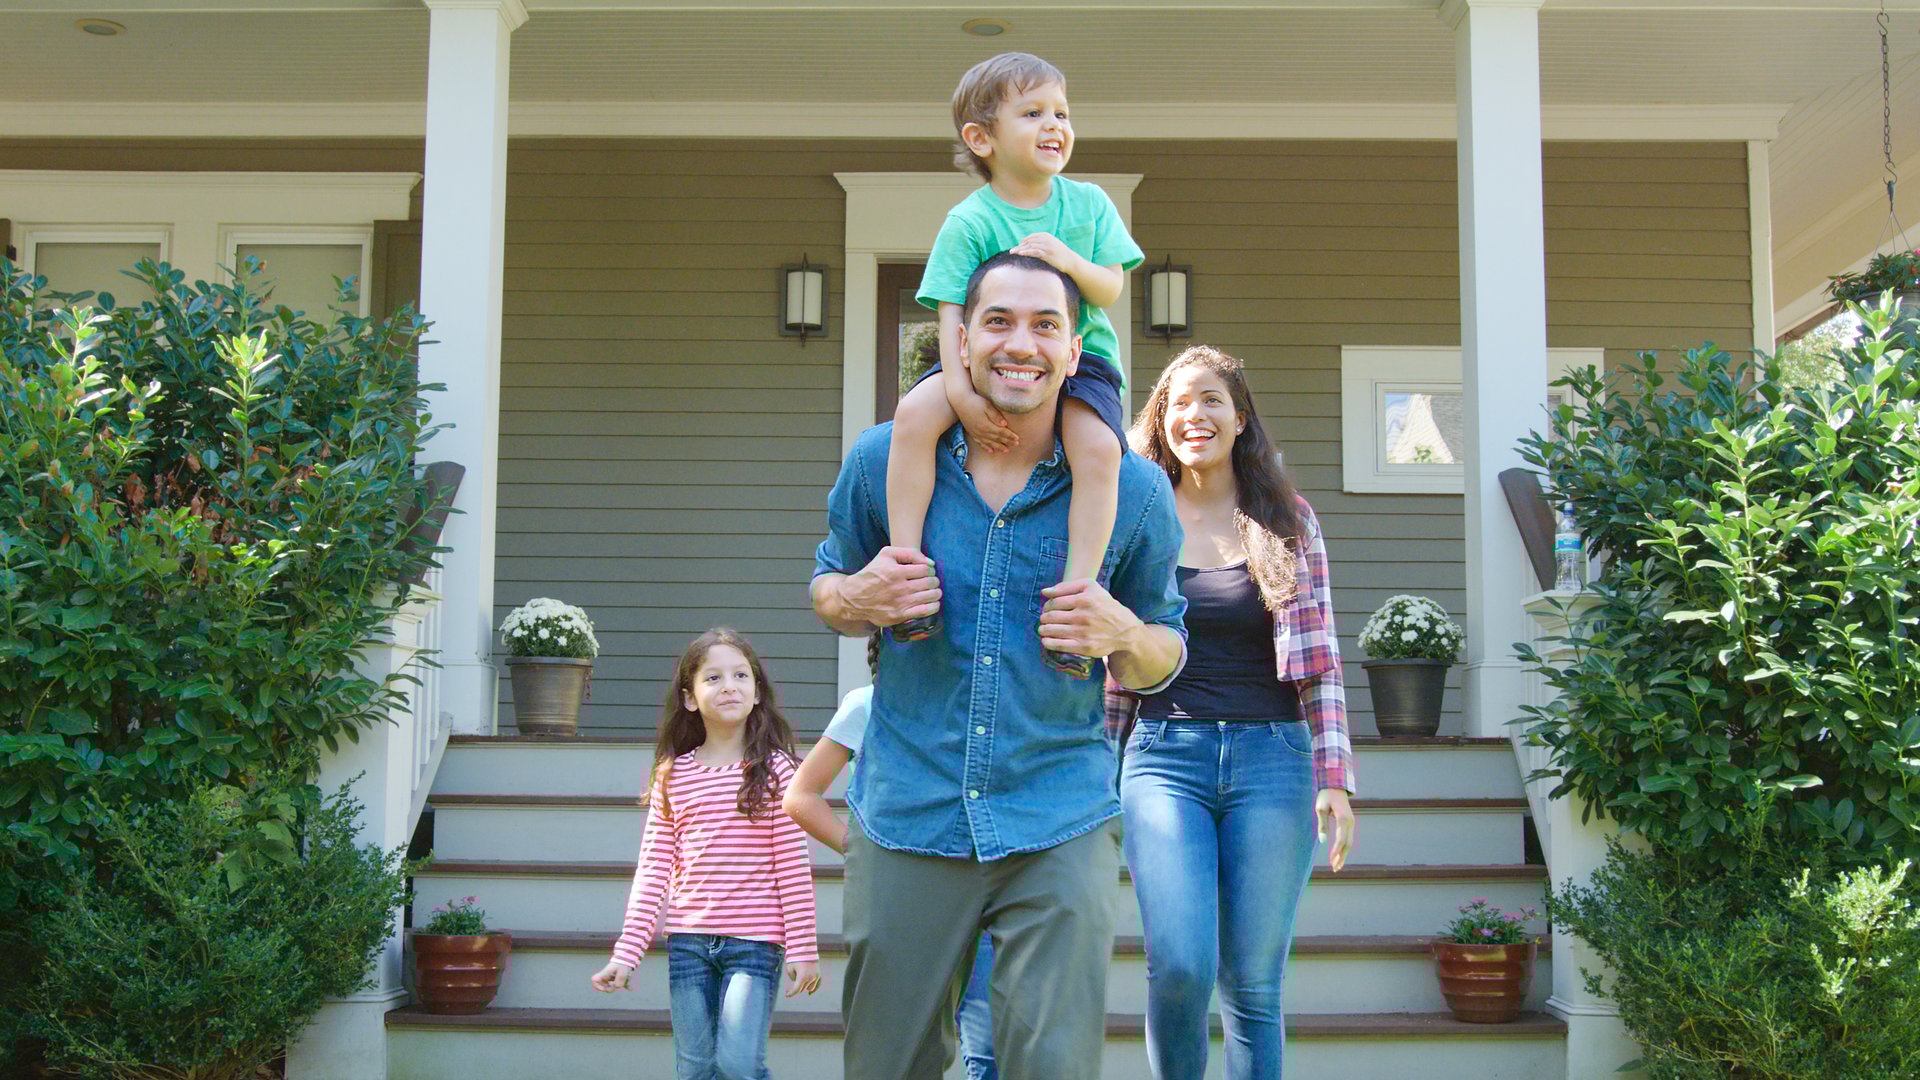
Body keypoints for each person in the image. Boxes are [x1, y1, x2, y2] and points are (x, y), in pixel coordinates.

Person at [812, 251, 1187, 1080]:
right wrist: (858, 597)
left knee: (1051, 1064)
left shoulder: (1136, 492)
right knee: (887, 1063)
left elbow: (1164, 653)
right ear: (963, 339)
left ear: (1075, 345)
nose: (1022, 344)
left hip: (1056, 810)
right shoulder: (883, 461)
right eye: (1000, 322)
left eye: (1045, 324)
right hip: (910, 806)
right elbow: (827, 586)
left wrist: (1120, 628)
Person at [1110, 345, 1359, 1080]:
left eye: (1212, 399)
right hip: (1163, 757)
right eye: (1180, 402)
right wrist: (1096, 766)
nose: (1196, 415)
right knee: (1181, 967)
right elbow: (1113, 668)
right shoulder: (1136, 519)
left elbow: (1321, 659)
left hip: (1272, 760)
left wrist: (1334, 774)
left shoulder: (1286, 519)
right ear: (1160, 420)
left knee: (1252, 985)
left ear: (1240, 418)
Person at [885, 51, 1145, 679]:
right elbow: (950, 315)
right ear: (983, 139)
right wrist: (960, 390)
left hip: (1079, 363)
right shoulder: (970, 219)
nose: (1054, 124)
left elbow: (1108, 289)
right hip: (977, 363)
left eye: (1061, 111)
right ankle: (906, 569)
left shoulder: (1087, 204)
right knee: (914, 414)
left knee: (1099, 449)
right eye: (1033, 113)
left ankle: (1076, 597)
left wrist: (1066, 260)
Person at [589, 628, 821, 1080]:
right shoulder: (672, 776)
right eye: (712, 678)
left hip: (754, 945)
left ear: (757, 692)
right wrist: (627, 952)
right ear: (691, 698)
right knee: (695, 1069)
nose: (729, 685)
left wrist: (803, 947)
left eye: (740, 675)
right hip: (689, 944)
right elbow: (654, 868)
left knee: (738, 1064)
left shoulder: (776, 771)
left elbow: (793, 866)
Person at [783, 634, 1000, 1080]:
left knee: (988, 1043)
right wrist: (860, 849)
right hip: (904, 902)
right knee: (910, 1039)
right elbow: (801, 795)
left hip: (983, 892)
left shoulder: (976, 710)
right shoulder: (867, 705)